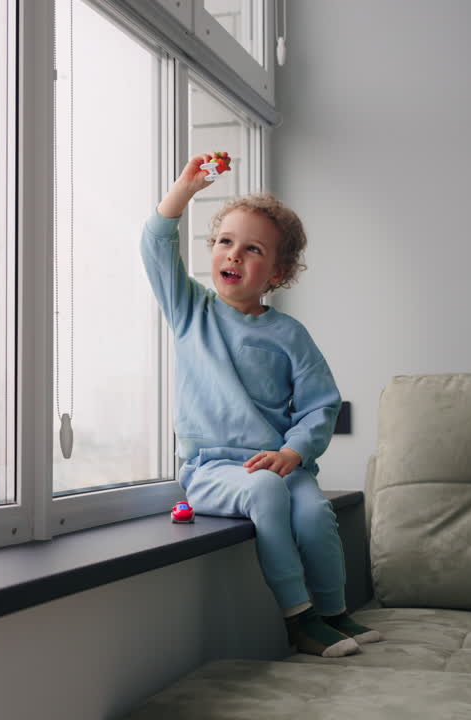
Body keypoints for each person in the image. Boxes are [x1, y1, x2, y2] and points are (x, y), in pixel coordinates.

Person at [141, 152, 381, 658]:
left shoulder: (289, 334)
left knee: (315, 513)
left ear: (279, 271)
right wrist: (185, 188)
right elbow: (155, 246)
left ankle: (335, 613)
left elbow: (321, 406)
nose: (233, 255)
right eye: (225, 243)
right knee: (267, 492)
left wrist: (294, 454)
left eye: (252, 249)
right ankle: (299, 619)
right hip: (212, 470)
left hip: (279, 465)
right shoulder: (191, 313)